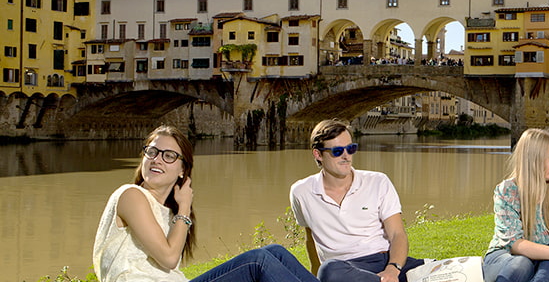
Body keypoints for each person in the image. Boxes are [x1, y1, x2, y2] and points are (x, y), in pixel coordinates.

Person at [92, 125, 316, 282]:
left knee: (274, 252)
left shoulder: (168, 213)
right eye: (152, 152)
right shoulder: (131, 195)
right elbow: (169, 258)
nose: (157, 159)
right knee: (257, 261)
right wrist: (185, 207)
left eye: (168, 155)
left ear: (182, 170)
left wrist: (180, 210)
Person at [290, 119, 425, 282]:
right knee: (329, 270)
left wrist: (392, 270)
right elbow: (310, 237)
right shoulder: (301, 192)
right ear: (318, 154)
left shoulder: (378, 181)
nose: (346, 156)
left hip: (383, 262)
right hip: (343, 269)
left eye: (351, 148)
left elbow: (397, 234)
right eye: (338, 151)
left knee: (456, 270)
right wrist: (315, 274)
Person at [483, 128, 549, 282]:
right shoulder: (508, 190)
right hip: (508, 259)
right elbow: (514, 245)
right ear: (533, 159)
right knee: (522, 262)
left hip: (548, 265)